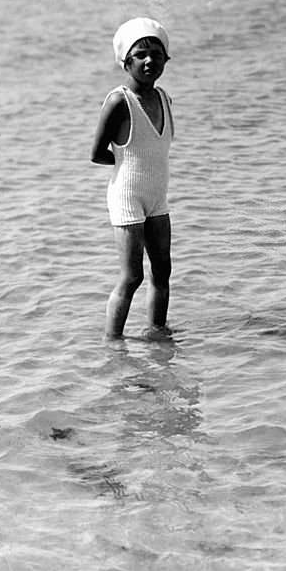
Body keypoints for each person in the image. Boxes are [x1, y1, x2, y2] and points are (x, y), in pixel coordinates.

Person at [91, 17, 175, 338]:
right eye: (140, 54)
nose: (150, 60)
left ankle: (157, 335)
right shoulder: (119, 101)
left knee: (163, 271)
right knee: (132, 276)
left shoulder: (164, 99)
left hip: (157, 197)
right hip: (127, 197)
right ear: (126, 61)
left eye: (156, 53)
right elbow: (97, 153)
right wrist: (128, 166)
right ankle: (113, 344)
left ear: (166, 59)